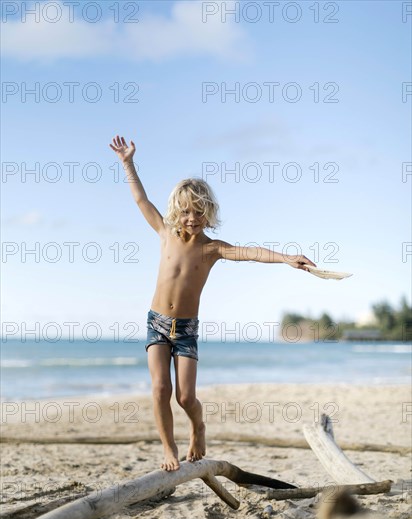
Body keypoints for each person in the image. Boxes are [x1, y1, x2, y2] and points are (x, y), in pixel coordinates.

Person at [109, 135, 316, 471]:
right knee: (161, 388)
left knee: (186, 397)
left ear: (208, 213)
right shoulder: (164, 232)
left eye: (199, 212)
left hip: (186, 330)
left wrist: (287, 258)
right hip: (157, 323)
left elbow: (250, 253)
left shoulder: (212, 248)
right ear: (177, 211)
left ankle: (198, 427)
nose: (192, 218)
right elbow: (140, 199)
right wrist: (128, 163)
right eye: (187, 211)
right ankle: (168, 448)